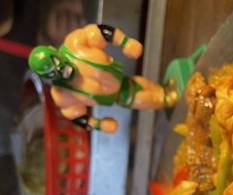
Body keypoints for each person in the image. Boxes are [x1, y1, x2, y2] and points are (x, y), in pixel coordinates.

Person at [28, 24, 177, 133]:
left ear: (54, 50)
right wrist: (99, 124)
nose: (60, 69)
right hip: (118, 95)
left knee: (141, 84)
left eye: (55, 61)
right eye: (52, 73)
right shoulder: (62, 93)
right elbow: (76, 116)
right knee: (137, 98)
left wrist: (125, 42)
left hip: (123, 79)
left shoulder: (74, 43)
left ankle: (163, 90)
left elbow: (100, 32)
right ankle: (167, 99)